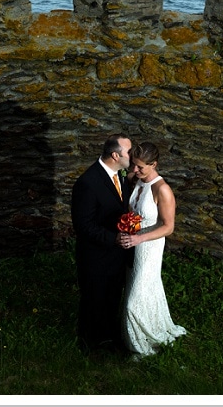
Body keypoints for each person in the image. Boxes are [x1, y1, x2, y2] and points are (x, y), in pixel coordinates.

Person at [118, 141, 187, 357]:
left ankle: (141, 348)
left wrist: (140, 239)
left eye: (140, 167)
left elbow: (168, 227)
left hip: (149, 248)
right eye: (134, 165)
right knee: (139, 288)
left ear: (154, 164)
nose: (134, 171)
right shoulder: (135, 180)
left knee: (133, 301)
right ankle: (144, 330)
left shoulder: (162, 190)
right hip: (133, 244)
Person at [71, 133, 134, 353]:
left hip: (116, 254)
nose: (133, 156)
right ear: (116, 155)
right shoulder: (88, 183)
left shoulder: (121, 175)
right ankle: (89, 345)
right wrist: (113, 238)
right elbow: (83, 225)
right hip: (95, 255)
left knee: (112, 297)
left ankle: (109, 337)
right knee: (94, 299)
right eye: (129, 152)